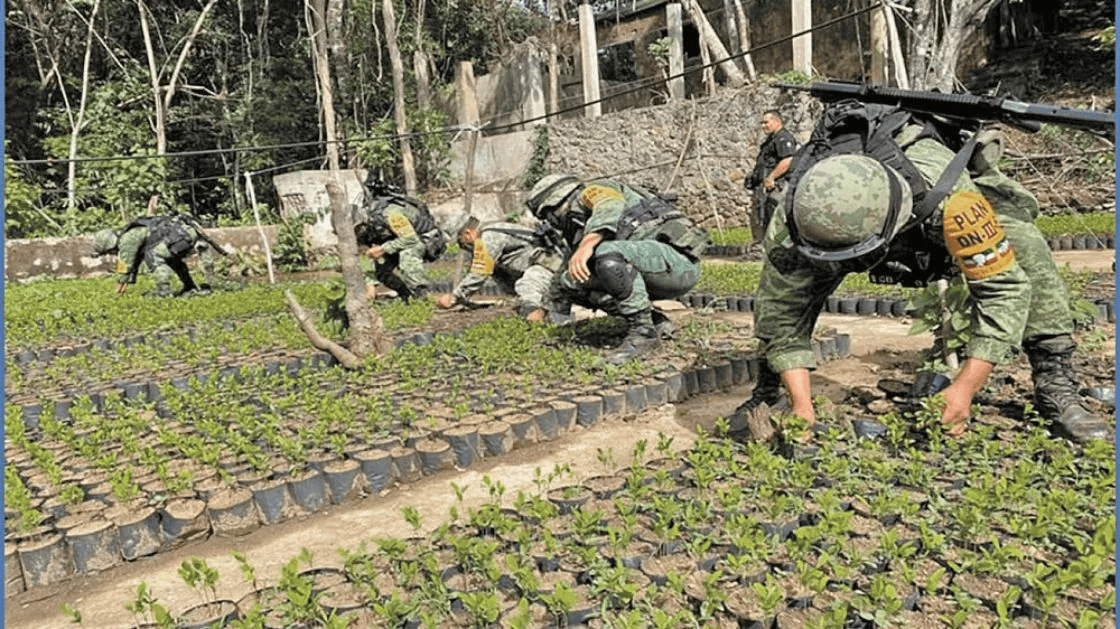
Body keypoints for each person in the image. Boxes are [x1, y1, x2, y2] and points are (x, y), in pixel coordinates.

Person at [732, 100, 1112, 444]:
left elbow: (1005, 290)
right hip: (835, 225)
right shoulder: (795, 221)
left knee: (1027, 246)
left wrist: (964, 388)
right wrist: (804, 406)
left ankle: (1054, 381)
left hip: (924, 196)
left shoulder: (955, 201)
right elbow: (782, 313)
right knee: (780, 303)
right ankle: (773, 390)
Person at [526, 173, 709, 364]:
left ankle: (644, 334)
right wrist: (549, 317)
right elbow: (560, 282)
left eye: (547, 216)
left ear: (556, 204)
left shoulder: (591, 192)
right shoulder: (579, 226)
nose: (552, 224)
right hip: (648, 270)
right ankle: (654, 321)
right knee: (572, 279)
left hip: (678, 265)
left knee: (607, 254)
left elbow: (609, 206)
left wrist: (586, 246)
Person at [436, 216, 564, 321]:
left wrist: (454, 297)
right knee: (497, 270)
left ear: (468, 233)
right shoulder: (490, 229)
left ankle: (537, 320)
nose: (466, 247)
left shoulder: (489, 237)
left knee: (527, 289)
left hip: (548, 268)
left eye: (462, 242)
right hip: (537, 267)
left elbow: (480, 272)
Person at [352, 177, 446, 302]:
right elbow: (368, 257)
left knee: (407, 255)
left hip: (424, 239)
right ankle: (406, 295)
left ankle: (421, 297)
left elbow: (411, 239)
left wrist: (384, 248)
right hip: (400, 241)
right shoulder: (367, 229)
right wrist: (370, 285)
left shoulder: (391, 215)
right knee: (382, 270)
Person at [92, 214, 212, 297]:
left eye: (108, 252)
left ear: (110, 245)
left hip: (180, 237)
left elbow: (125, 264)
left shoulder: (126, 240)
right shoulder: (130, 234)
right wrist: (129, 280)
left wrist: (119, 286)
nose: (111, 254)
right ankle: (190, 286)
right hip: (185, 234)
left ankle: (164, 291)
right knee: (172, 259)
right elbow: (135, 262)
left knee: (154, 255)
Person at [746, 110, 799, 244]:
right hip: (764, 188)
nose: (763, 126)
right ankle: (761, 247)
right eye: (762, 123)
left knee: (778, 220)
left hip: (776, 187)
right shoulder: (771, 140)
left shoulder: (783, 138)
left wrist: (771, 178)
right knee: (761, 218)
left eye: (766, 122)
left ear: (776, 122)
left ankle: (781, 247)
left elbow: (787, 160)